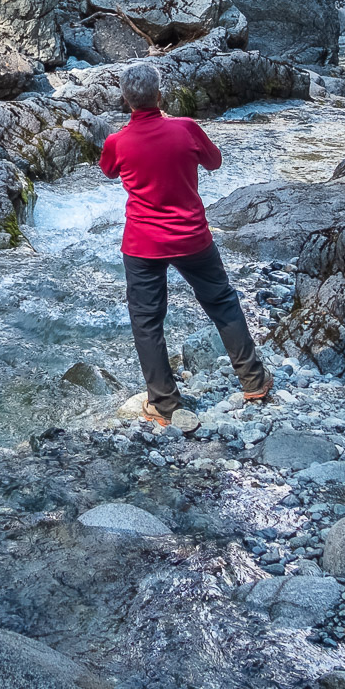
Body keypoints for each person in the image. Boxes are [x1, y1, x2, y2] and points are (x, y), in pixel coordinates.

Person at [98, 63, 272, 427]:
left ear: (126, 101)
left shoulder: (117, 142)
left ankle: (163, 403)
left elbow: (109, 170)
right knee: (222, 302)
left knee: (147, 322)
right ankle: (254, 381)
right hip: (191, 236)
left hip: (142, 244)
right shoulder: (186, 129)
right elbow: (215, 161)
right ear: (159, 95)